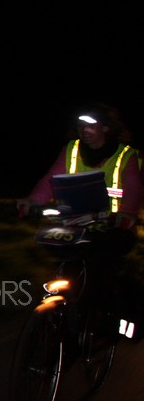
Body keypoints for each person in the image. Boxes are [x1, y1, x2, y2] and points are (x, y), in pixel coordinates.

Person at [17, 102, 143, 335]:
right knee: (64, 262)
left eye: (91, 125)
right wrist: (33, 201)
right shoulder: (71, 149)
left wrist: (126, 214)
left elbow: (134, 189)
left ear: (106, 128)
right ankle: (66, 317)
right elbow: (50, 181)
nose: (84, 130)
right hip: (75, 225)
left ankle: (107, 321)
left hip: (113, 228)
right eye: (80, 125)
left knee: (100, 270)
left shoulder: (126, 155)